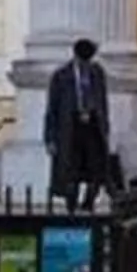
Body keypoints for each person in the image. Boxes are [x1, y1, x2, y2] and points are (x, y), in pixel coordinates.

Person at [44, 38, 118, 211]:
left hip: (93, 127)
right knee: (72, 169)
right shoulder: (61, 76)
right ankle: (72, 204)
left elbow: (102, 101)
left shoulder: (97, 73)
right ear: (76, 57)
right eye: (83, 61)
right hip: (71, 128)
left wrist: (105, 126)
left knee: (97, 168)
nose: (86, 65)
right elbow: (52, 109)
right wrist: (50, 137)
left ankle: (88, 202)